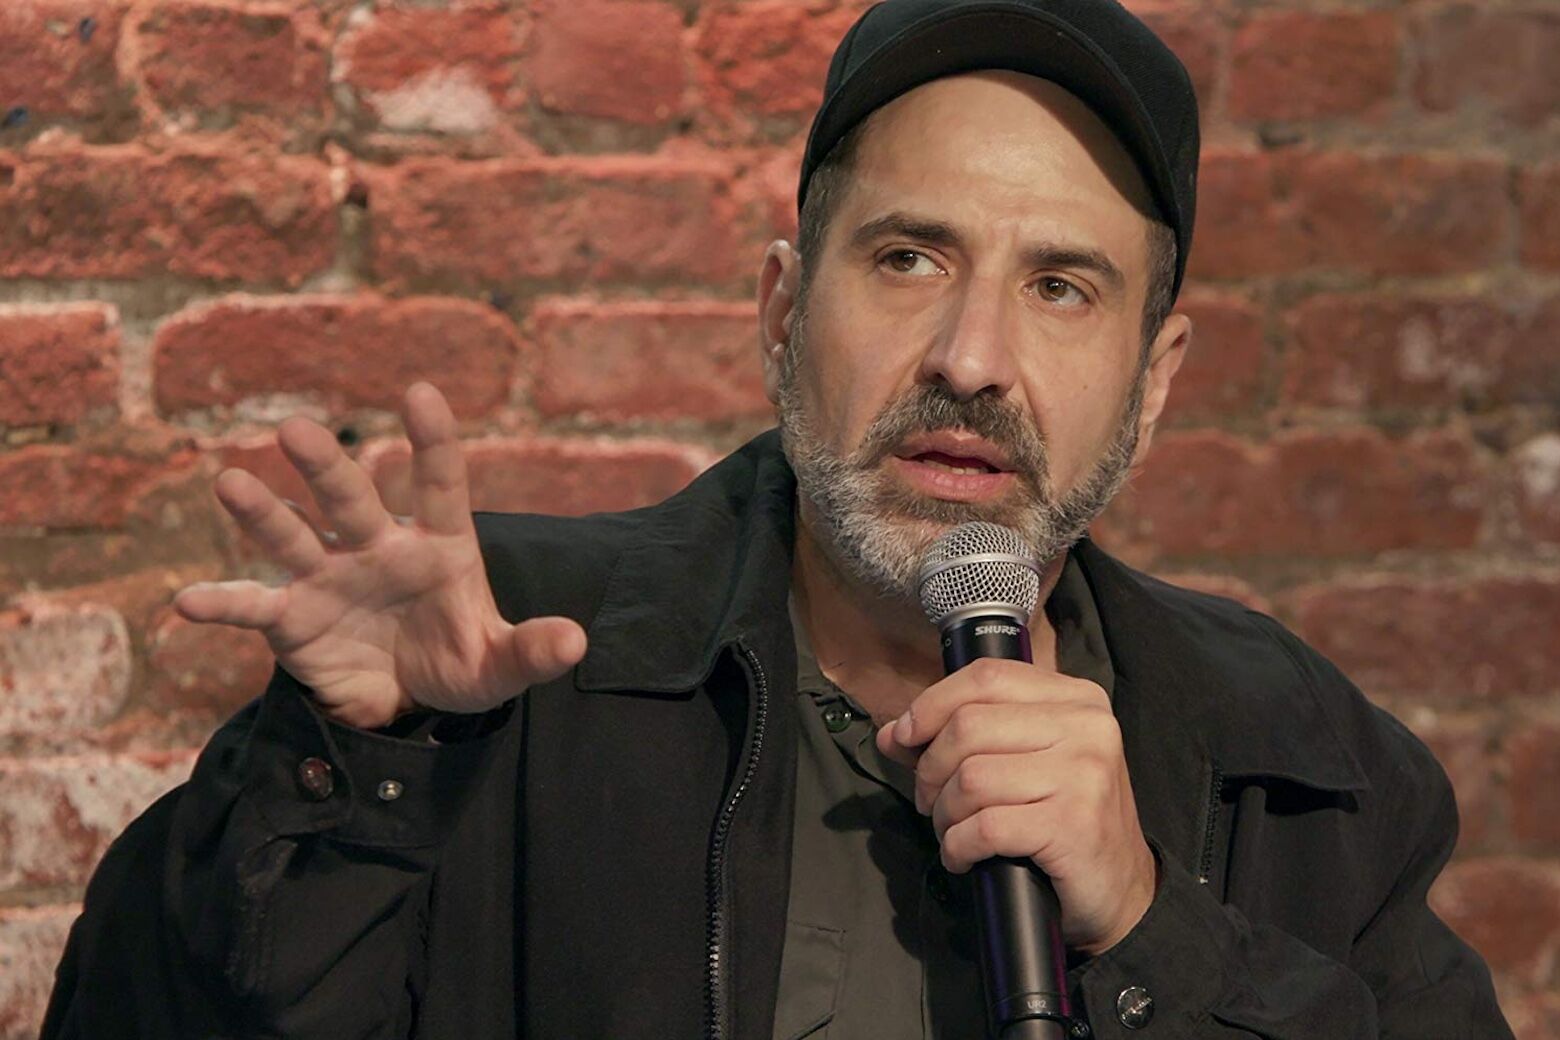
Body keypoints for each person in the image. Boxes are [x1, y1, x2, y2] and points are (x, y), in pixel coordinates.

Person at [43, 0, 1514, 1037]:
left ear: (1155, 380)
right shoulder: (497, 668)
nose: (972, 360)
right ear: (780, 310)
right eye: (908, 258)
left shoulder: (1309, 769)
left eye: (1062, 287)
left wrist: (1148, 928)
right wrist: (346, 773)